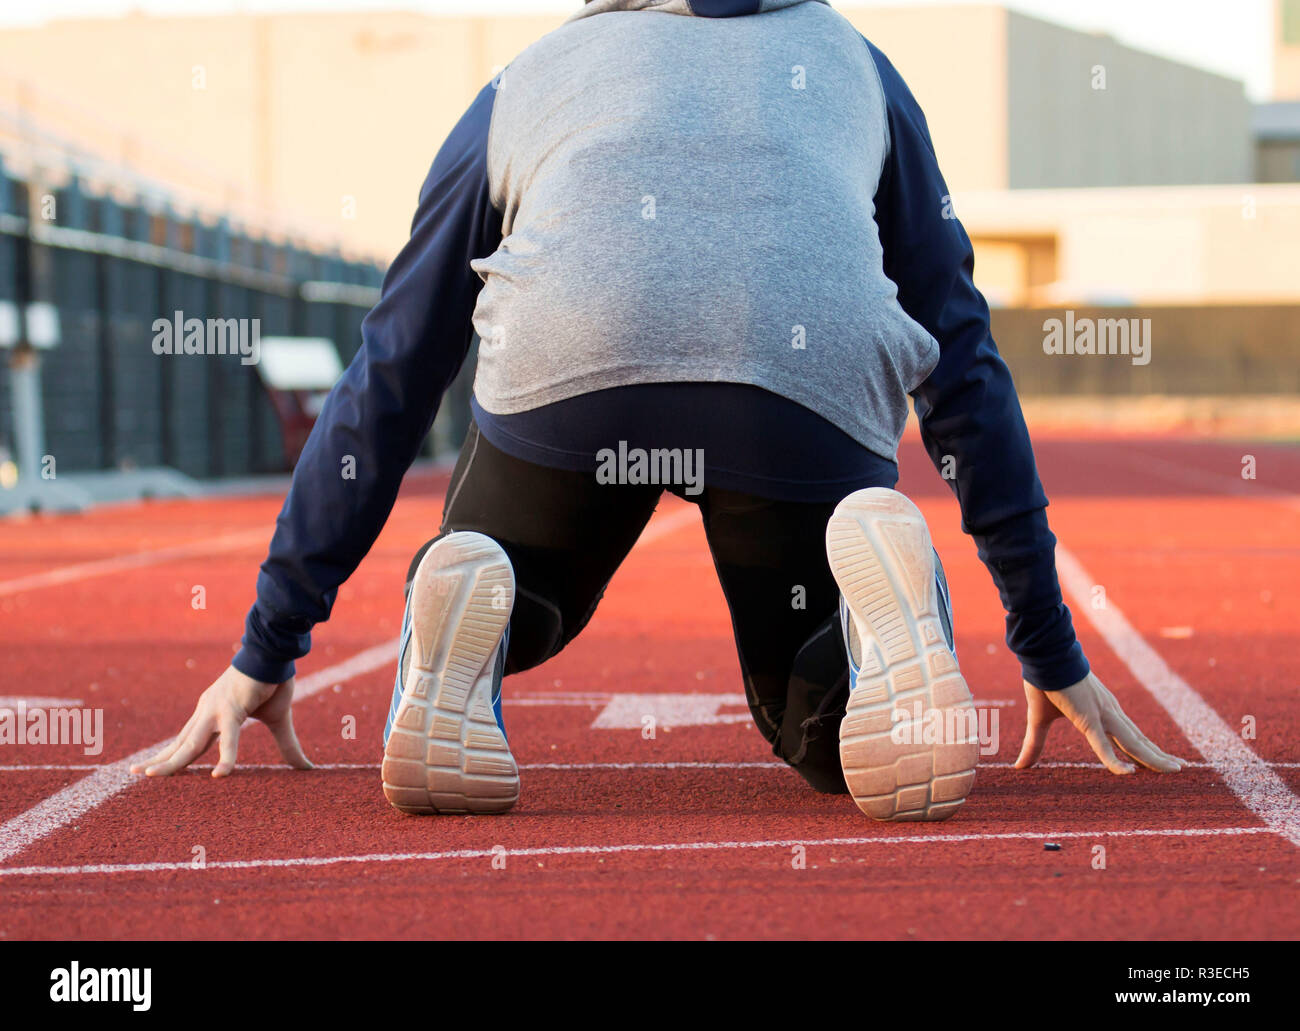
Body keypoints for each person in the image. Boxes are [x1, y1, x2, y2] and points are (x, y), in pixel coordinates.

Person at [134, 0, 1183, 821]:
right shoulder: (860, 68)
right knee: (813, 726)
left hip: (575, 364)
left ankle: (473, 622)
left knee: (501, 578)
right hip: (800, 384)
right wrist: (1045, 643)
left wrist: (269, 644)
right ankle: (864, 643)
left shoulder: (526, 80)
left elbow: (395, 367)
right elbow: (960, 355)